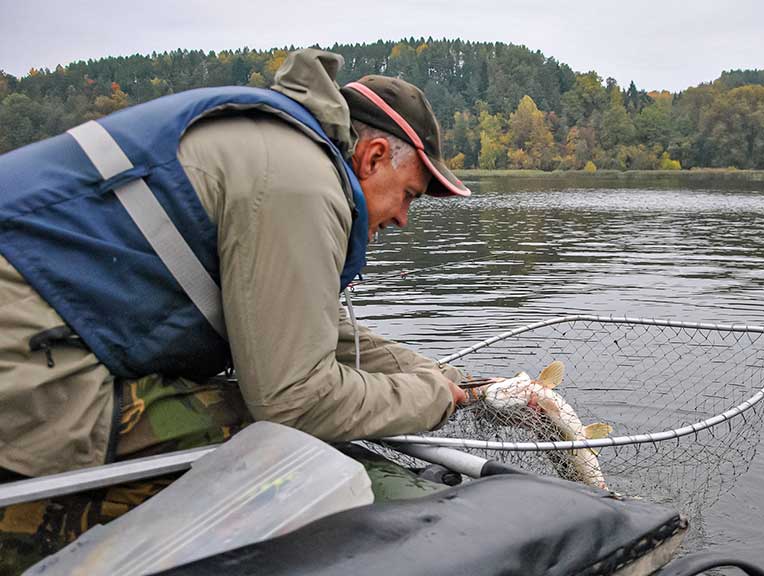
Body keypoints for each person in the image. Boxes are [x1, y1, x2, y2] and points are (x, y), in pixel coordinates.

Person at [0, 48, 469, 571]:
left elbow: (317, 328)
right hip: (29, 380)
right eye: (409, 195)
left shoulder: (272, 144)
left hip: (41, 339)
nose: (405, 218)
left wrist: (442, 375)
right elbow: (295, 402)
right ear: (375, 155)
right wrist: (432, 399)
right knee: (273, 439)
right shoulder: (300, 181)